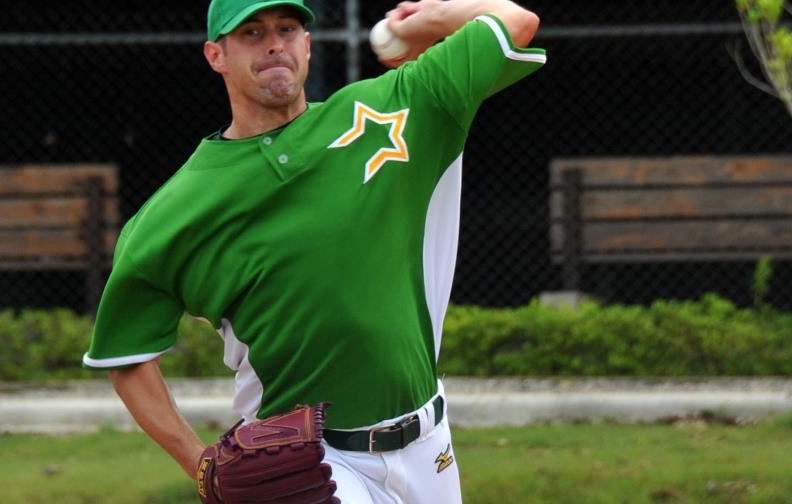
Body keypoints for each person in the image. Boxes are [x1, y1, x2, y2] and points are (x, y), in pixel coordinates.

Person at [82, 0, 544, 501]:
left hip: (431, 446)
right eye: (252, 33)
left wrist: (428, 19)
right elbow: (126, 357)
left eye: (287, 28)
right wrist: (199, 466)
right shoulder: (173, 213)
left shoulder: (397, 106)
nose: (274, 43)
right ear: (216, 55)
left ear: (307, 44)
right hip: (310, 462)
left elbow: (514, 22)